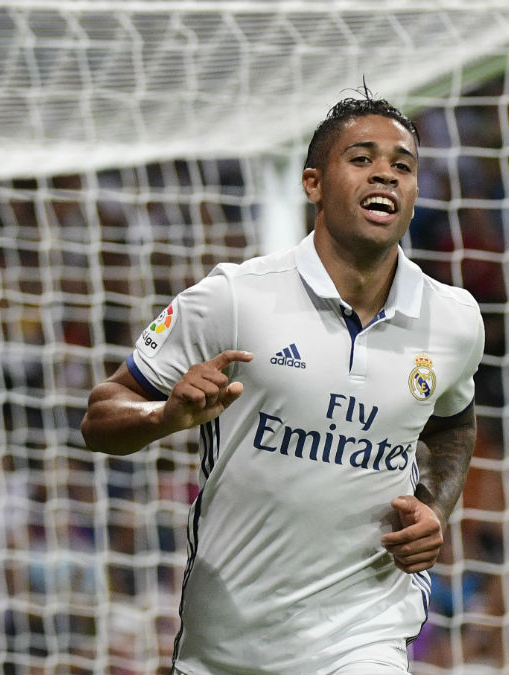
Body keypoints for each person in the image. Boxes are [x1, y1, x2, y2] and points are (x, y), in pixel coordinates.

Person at [80, 90, 484, 675]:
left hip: (364, 632)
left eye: (402, 165)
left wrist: (434, 508)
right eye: (363, 158)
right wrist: (164, 415)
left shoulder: (453, 318)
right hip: (228, 643)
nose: (386, 176)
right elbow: (100, 416)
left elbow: (454, 422)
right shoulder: (235, 298)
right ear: (313, 183)